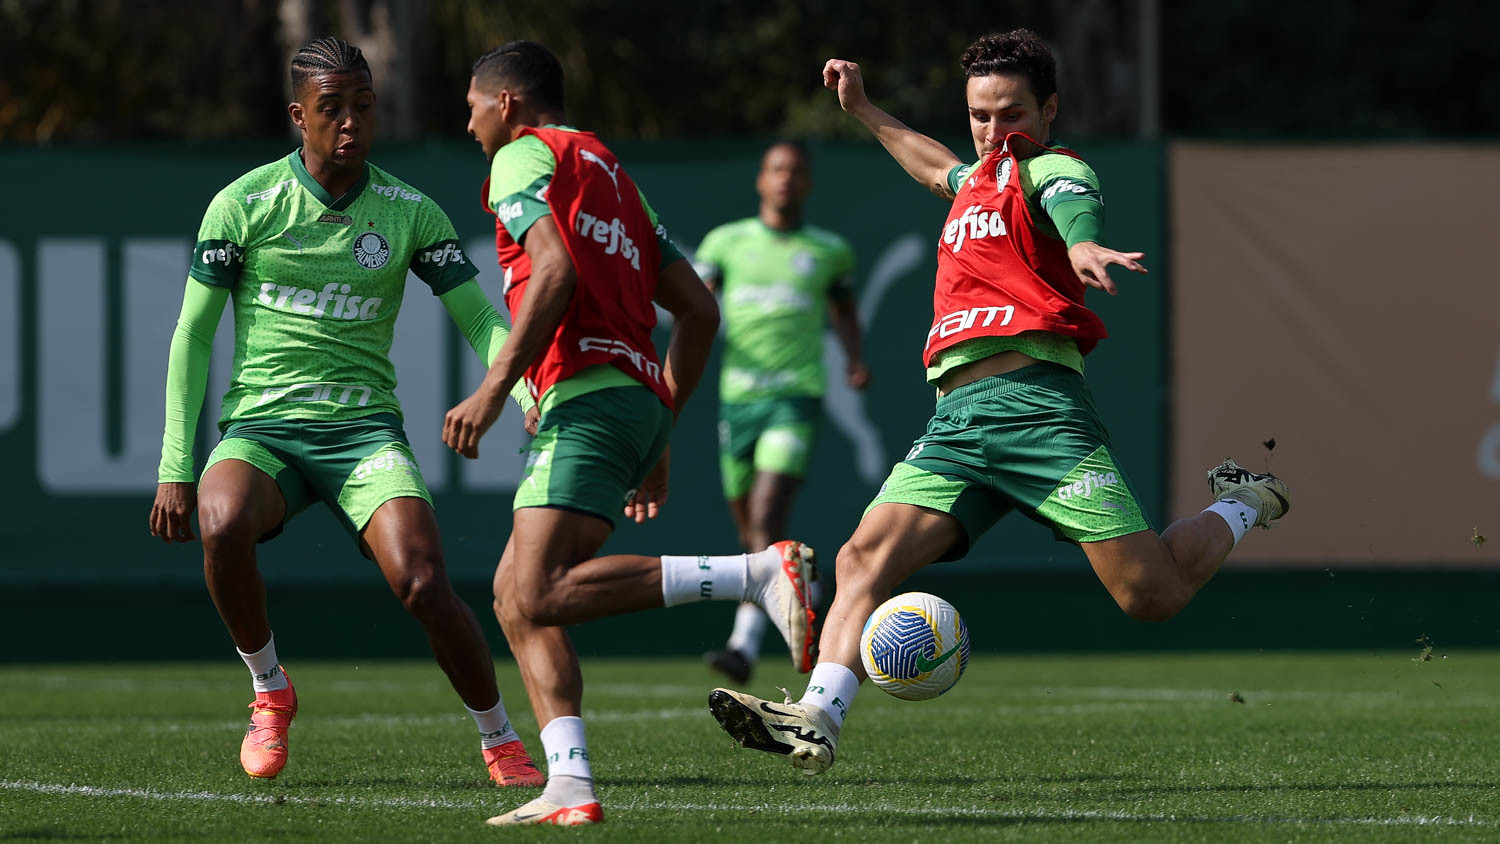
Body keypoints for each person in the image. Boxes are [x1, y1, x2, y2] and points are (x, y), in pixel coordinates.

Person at [707, 28, 1292, 775]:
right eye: (980, 115)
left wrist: (1082, 246)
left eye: (1010, 113)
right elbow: (932, 164)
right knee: (861, 558)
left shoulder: (1052, 167)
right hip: (955, 425)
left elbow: (1069, 201)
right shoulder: (973, 181)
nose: (993, 130)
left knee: (1153, 596)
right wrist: (862, 109)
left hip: (1040, 414)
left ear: (1048, 111)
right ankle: (817, 716)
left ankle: (1243, 500)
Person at [146, 37, 546, 788]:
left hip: (364, 434)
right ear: (300, 115)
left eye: (364, 105)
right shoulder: (245, 203)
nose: (352, 122)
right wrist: (175, 465)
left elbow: (481, 320)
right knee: (221, 518)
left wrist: (524, 391)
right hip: (263, 432)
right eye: (332, 108)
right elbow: (193, 334)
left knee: (425, 583)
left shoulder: (408, 211)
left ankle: (500, 739)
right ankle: (270, 690)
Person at [450, 41, 818, 827]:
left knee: (538, 590)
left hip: (585, 396)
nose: (469, 120)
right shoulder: (615, 176)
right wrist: (661, 431)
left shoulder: (521, 158)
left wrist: (491, 388)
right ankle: (571, 784)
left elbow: (554, 274)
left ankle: (754, 574)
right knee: (515, 600)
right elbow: (699, 312)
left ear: (507, 104)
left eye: (473, 103)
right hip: (630, 399)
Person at [696, 141, 868, 685]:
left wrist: (856, 360)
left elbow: (844, 310)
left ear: (808, 184)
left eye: (796, 171)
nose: (785, 179)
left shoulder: (828, 250)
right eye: (776, 169)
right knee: (754, 538)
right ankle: (807, 590)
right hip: (736, 400)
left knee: (768, 517)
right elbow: (695, 304)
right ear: (760, 180)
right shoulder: (725, 243)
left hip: (795, 397)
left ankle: (741, 647)